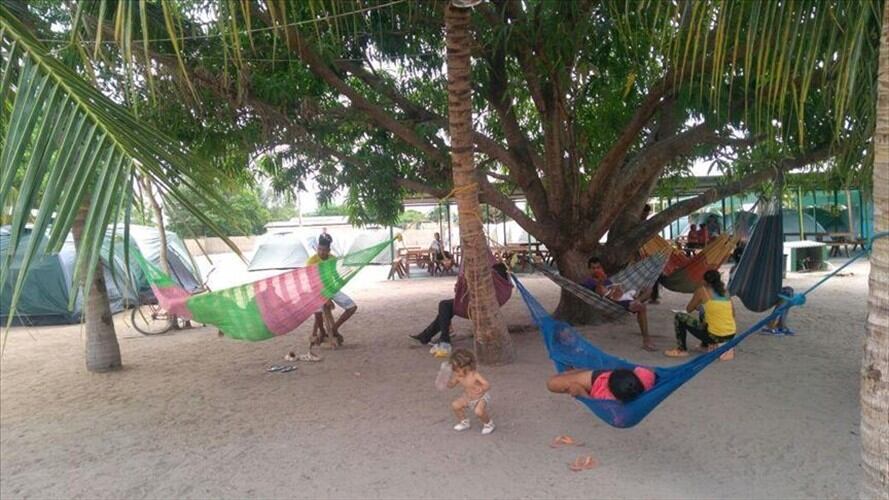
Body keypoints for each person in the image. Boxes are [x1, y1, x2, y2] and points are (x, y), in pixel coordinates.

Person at [409, 263, 510, 356]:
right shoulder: (502, 287)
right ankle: (426, 336)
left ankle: (444, 338)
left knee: (444, 305)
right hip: (476, 304)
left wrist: (463, 285)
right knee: (446, 309)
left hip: (475, 307)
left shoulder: (493, 285)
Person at [582, 257, 656, 351]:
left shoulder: (607, 279)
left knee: (649, 290)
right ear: (589, 270)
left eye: (598, 267)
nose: (596, 270)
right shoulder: (589, 282)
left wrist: (617, 288)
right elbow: (600, 292)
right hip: (616, 302)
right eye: (593, 268)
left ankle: (636, 300)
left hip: (624, 296)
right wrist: (601, 282)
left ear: (602, 268)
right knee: (642, 308)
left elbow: (617, 290)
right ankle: (646, 340)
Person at [665, 269, 737, 360]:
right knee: (703, 312)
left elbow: (689, 309)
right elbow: (733, 314)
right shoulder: (725, 292)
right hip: (730, 334)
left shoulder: (702, 291)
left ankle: (681, 349)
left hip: (714, 336)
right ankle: (704, 346)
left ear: (704, 281)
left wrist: (698, 305)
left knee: (679, 317)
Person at [306, 242, 356, 348]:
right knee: (318, 311)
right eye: (319, 249)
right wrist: (325, 297)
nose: (321, 252)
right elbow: (312, 281)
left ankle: (334, 329)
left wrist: (343, 279)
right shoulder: (312, 261)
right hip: (316, 290)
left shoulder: (332, 259)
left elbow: (335, 275)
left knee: (352, 307)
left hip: (331, 288)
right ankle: (323, 331)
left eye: (324, 250)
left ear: (329, 251)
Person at [447, 348, 495, 435]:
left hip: (480, 397)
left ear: (467, 367)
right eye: (454, 370)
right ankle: (464, 422)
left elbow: (487, 384)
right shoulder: (458, 376)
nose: (455, 373)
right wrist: (447, 382)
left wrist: (482, 388)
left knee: (478, 411)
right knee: (455, 405)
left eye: (457, 370)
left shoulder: (474, 375)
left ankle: (488, 424)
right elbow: (451, 385)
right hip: (468, 397)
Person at [546, 366, 656, 403]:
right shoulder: (645, 378)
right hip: (597, 375)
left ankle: (573, 374)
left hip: (595, 381)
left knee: (552, 384)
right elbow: (650, 370)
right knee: (562, 380)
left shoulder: (604, 397)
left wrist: (581, 393)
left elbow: (593, 403)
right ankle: (573, 372)